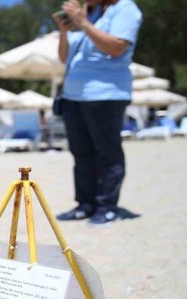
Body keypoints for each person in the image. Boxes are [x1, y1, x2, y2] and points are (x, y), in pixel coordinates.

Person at [54, 0, 142, 226]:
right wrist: (64, 31)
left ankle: (107, 206)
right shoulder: (89, 14)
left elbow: (116, 47)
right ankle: (85, 204)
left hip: (105, 93)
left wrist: (83, 23)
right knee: (81, 153)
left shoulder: (125, 8)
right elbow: (64, 58)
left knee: (107, 152)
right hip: (74, 96)